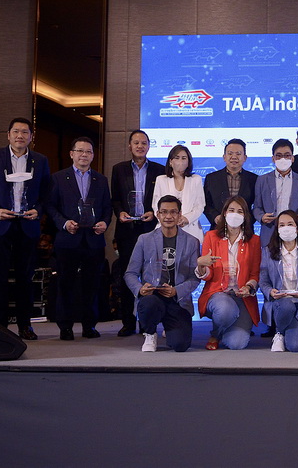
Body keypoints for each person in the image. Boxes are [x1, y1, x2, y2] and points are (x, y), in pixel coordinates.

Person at [0, 117, 51, 339]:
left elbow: (47, 193)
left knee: (25, 279)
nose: (20, 136)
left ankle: (25, 326)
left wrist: (38, 210)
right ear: (8, 135)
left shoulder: (40, 160)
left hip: (27, 226)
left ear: (31, 137)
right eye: (16, 131)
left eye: (25, 132)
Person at [46, 136, 112, 340]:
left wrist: (105, 222)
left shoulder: (101, 180)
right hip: (68, 239)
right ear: (71, 154)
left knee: (92, 285)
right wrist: (64, 223)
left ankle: (89, 325)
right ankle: (65, 327)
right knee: (65, 283)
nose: (84, 155)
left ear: (93, 155)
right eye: (80, 151)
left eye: (89, 152)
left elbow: (107, 208)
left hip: (93, 239)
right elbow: (50, 206)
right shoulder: (58, 178)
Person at [123, 195, 200, 352]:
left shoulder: (192, 242)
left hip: (177, 300)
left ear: (179, 214)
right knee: (149, 304)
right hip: (152, 297)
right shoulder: (144, 240)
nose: (168, 216)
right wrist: (140, 289)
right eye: (164, 212)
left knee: (180, 345)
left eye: (173, 212)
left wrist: (176, 291)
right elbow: (130, 273)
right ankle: (150, 333)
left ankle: (169, 328)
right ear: (158, 214)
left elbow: (195, 278)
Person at [110, 129, 166, 337]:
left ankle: (146, 322)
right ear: (130, 146)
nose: (140, 146)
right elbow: (115, 198)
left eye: (144, 143)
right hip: (127, 229)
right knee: (128, 274)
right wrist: (120, 212)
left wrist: (154, 212)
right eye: (136, 143)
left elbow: (161, 199)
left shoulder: (159, 170)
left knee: (150, 275)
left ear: (149, 146)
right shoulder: (119, 169)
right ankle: (127, 322)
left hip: (150, 228)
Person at [196, 196, 261, 350]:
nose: (235, 214)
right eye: (231, 210)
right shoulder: (211, 236)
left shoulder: (254, 241)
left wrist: (249, 287)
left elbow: (255, 274)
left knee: (237, 344)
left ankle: (227, 326)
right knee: (225, 310)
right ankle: (216, 334)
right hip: (218, 293)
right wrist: (201, 265)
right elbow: (208, 275)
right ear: (224, 213)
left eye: (240, 211)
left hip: (242, 297)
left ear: (245, 216)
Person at [259, 210, 298, 352]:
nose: (286, 228)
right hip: (280, 302)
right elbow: (263, 281)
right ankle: (279, 333)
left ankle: (287, 329)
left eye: (290, 224)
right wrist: (270, 292)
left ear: (297, 228)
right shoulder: (267, 251)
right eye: (282, 225)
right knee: (287, 306)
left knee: (295, 347)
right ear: (277, 229)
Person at [253, 138, 298, 247]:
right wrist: (262, 217)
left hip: (294, 232)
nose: (283, 159)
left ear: (292, 158)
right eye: (279, 155)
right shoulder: (262, 180)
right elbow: (257, 207)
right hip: (269, 231)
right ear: (273, 158)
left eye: (287, 155)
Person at [152, 144, 205, 243]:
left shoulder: (196, 179)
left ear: (188, 162)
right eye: (177, 158)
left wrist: (186, 219)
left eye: (184, 158)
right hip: (166, 228)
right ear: (170, 162)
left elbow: (200, 205)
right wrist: (170, 219)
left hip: (191, 229)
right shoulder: (161, 180)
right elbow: (156, 205)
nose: (180, 161)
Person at [203, 138, 257, 227]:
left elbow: (258, 206)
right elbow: (205, 203)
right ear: (224, 157)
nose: (234, 157)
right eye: (230, 153)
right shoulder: (211, 178)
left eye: (238, 154)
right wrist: (215, 217)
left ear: (245, 158)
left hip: (245, 228)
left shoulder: (254, 179)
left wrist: (247, 219)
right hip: (218, 227)